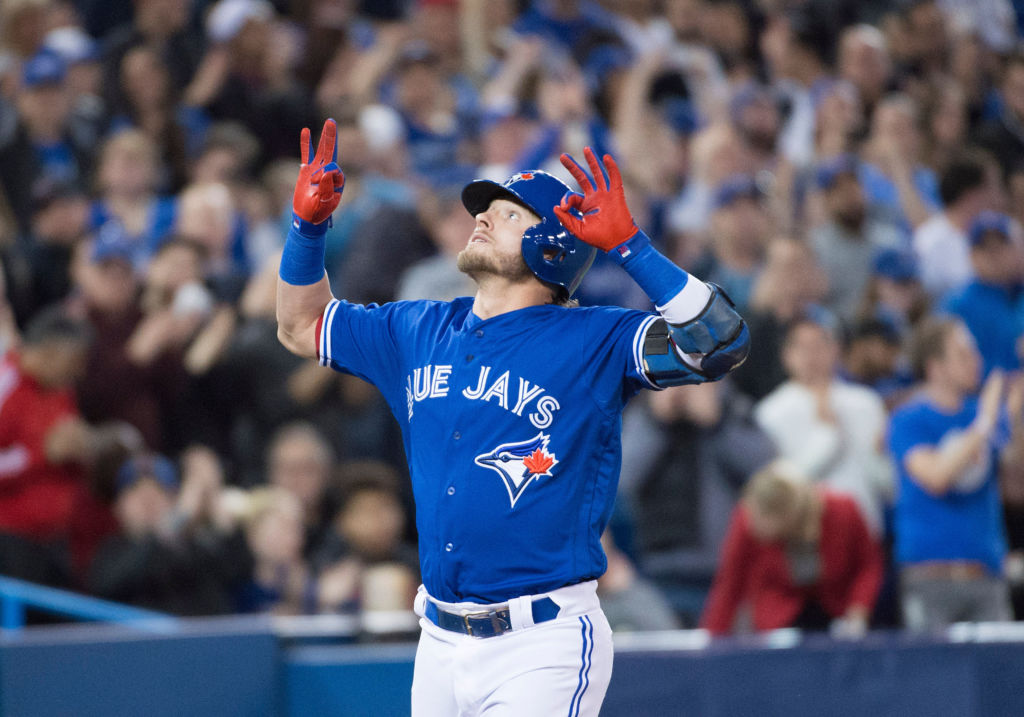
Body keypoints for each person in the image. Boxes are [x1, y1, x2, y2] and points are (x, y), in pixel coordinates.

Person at [276, 120, 749, 716]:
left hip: (541, 642)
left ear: (552, 243)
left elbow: (720, 343)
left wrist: (632, 247)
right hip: (440, 639)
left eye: (508, 212)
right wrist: (307, 229)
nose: (482, 215)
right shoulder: (417, 329)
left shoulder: (594, 339)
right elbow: (299, 326)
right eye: (486, 207)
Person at [888, 317, 1018, 631]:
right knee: (930, 678)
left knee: (1002, 678)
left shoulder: (982, 413)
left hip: (985, 574)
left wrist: (1014, 409)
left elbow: (1015, 474)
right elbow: (936, 477)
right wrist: (985, 424)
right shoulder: (909, 420)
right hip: (930, 577)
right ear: (935, 367)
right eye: (963, 355)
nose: (977, 362)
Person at [701, 461, 883, 637]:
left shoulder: (843, 510)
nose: (752, 526)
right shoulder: (747, 517)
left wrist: (858, 613)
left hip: (838, 617)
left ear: (786, 517)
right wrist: (710, 643)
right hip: (779, 624)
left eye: (761, 520)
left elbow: (868, 566)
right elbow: (730, 584)